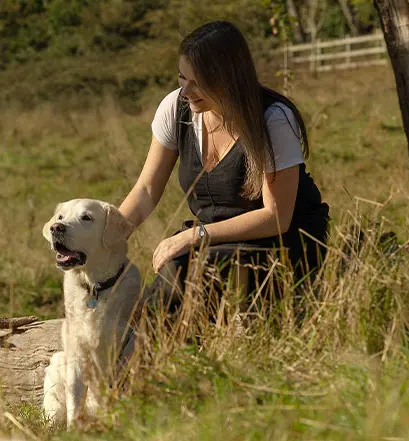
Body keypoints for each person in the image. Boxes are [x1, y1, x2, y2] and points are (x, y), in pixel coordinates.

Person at [118, 21, 330, 313]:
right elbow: (145, 190)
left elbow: (276, 218)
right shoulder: (175, 108)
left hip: (283, 244)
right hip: (217, 244)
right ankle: (135, 348)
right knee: (178, 273)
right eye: (182, 78)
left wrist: (195, 236)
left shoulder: (273, 119)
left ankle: (137, 352)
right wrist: (106, 238)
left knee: (179, 273)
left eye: (198, 82)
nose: (186, 90)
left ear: (229, 78)